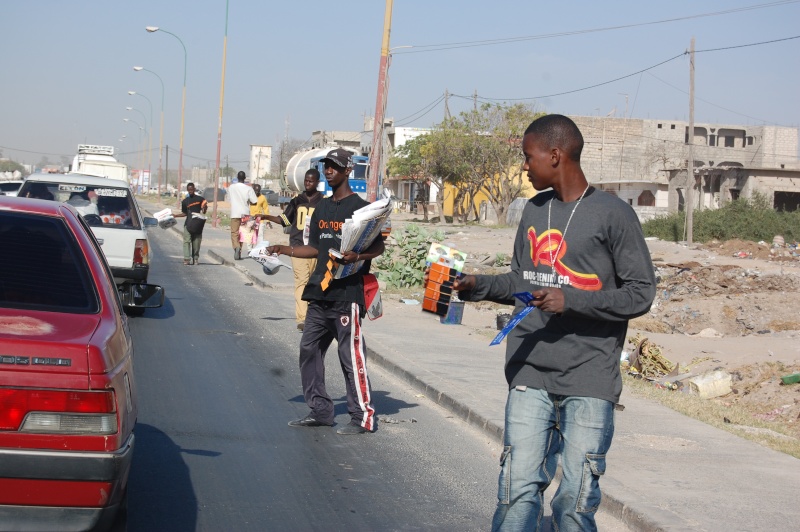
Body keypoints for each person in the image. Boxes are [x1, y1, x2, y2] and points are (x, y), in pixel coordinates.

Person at [451, 114, 656, 531]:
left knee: (574, 505)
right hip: (530, 370)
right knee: (516, 491)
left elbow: (641, 293)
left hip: (588, 377)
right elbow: (520, 282)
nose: (525, 166)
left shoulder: (613, 215)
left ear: (556, 155)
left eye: (529, 157)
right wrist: (476, 284)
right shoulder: (533, 209)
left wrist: (572, 300)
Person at [266, 148, 385, 435]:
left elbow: (378, 246)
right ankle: (320, 410)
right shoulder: (322, 207)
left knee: (350, 357)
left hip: (347, 294)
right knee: (309, 350)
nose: (328, 170)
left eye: (334, 166)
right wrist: (284, 249)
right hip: (319, 293)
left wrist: (359, 258)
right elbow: (316, 248)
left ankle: (361, 417)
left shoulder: (361, 208)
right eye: (326, 166)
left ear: (347, 171)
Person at [263, 169, 322, 331]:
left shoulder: (323, 201)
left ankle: (314, 316)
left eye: (311, 181)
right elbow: (284, 221)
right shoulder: (297, 201)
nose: (308, 184)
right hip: (297, 246)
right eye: (306, 181)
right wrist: (266, 217)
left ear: (317, 182)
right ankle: (302, 319)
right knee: (301, 282)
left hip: (316, 248)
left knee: (314, 283)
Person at [173, 182, 208, 265]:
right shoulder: (185, 201)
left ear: (194, 189)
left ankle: (195, 258)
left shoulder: (200, 199)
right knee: (186, 241)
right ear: (187, 190)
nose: (190, 191)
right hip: (188, 224)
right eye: (189, 190)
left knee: (196, 243)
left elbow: (204, 211)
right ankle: (186, 259)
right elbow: (184, 213)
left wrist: (204, 208)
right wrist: (176, 215)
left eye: (192, 189)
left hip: (197, 224)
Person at [228, 171, 257, 260]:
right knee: (242, 234)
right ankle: (239, 252)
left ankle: (236, 247)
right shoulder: (249, 189)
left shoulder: (231, 187)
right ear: (245, 178)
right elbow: (254, 201)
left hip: (235, 213)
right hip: (245, 214)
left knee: (234, 233)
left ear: (237, 177)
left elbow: (229, 198)